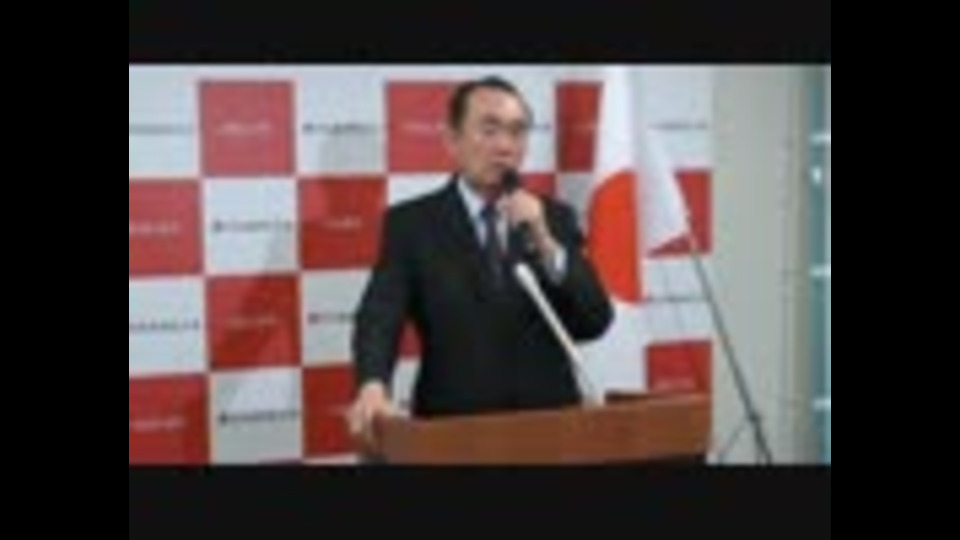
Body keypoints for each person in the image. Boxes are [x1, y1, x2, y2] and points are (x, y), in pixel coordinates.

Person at [348, 75, 613, 446]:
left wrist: (545, 242)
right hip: (453, 431)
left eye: (517, 132)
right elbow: (380, 315)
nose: (504, 146)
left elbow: (594, 320)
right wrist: (373, 384)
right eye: (489, 130)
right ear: (452, 140)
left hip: (549, 428)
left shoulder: (554, 218)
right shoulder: (412, 224)